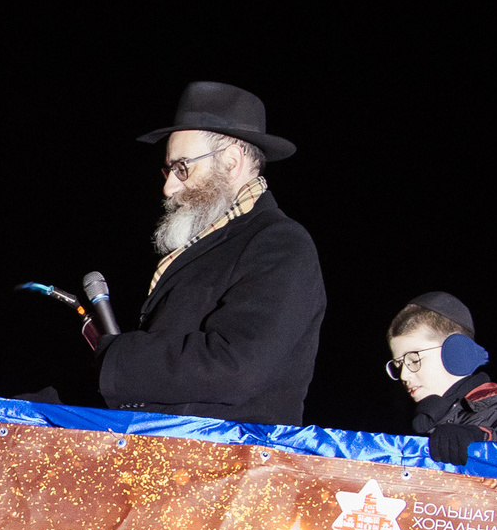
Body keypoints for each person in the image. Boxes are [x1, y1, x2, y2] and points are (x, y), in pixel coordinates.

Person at [97, 81, 327, 425]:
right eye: (169, 169)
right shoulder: (206, 246)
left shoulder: (281, 244)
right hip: (171, 462)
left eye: (183, 168)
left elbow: (237, 367)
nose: (169, 187)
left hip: (232, 469)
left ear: (231, 161)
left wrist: (116, 358)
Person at [386, 290, 497, 463]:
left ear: (456, 352)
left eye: (414, 360)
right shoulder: (426, 421)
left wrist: (482, 438)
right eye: (398, 365)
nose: (404, 375)